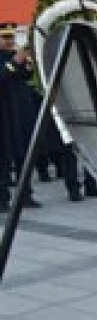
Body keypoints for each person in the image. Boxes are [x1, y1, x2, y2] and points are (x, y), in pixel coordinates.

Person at [0, 24, 41, 210]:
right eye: (4, 37)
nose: (9, 41)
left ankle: (26, 195)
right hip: (4, 117)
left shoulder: (15, 56)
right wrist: (16, 62)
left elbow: (26, 76)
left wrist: (28, 63)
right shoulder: (9, 59)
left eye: (11, 37)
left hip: (21, 114)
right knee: (3, 159)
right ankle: (2, 199)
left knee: (24, 155)